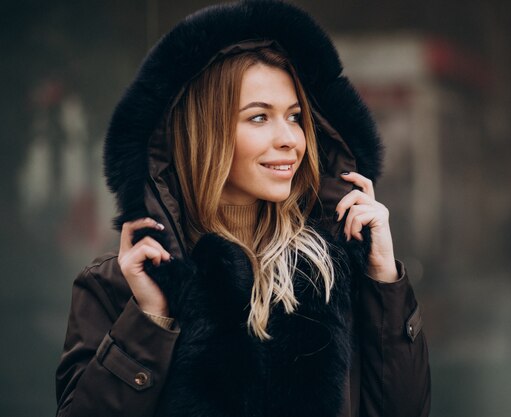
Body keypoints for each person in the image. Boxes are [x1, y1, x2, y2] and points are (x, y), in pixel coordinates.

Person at [55, 1, 431, 416]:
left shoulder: (333, 273)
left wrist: (384, 278)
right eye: (258, 118)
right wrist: (149, 320)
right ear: (205, 133)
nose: (290, 138)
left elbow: (406, 410)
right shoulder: (119, 284)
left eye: (294, 116)